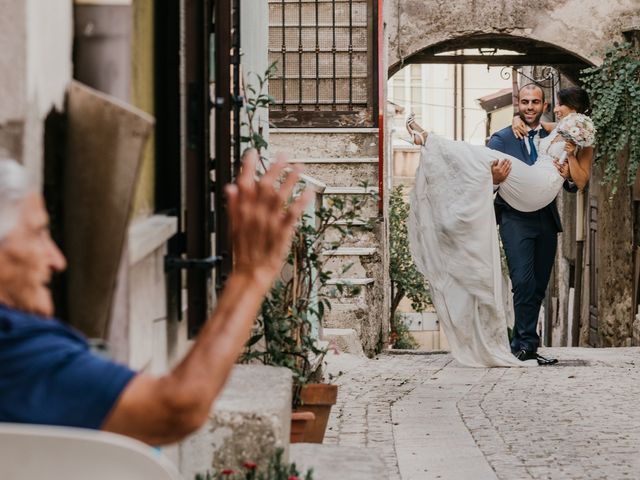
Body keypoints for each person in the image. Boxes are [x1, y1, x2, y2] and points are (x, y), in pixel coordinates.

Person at [0, 150, 312, 445]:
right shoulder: (14, 349)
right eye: (38, 233)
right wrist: (251, 276)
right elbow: (175, 408)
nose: (56, 260)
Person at [405, 85, 593, 367]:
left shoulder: (576, 131)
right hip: (516, 213)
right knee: (523, 281)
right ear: (519, 104)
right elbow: (495, 174)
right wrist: (493, 178)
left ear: (553, 105)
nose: (536, 108)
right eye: (525, 103)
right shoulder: (505, 136)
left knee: (537, 284)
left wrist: (570, 161)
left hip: (542, 204)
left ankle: (527, 345)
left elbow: (579, 181)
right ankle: (431, 141)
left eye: (542, 103)